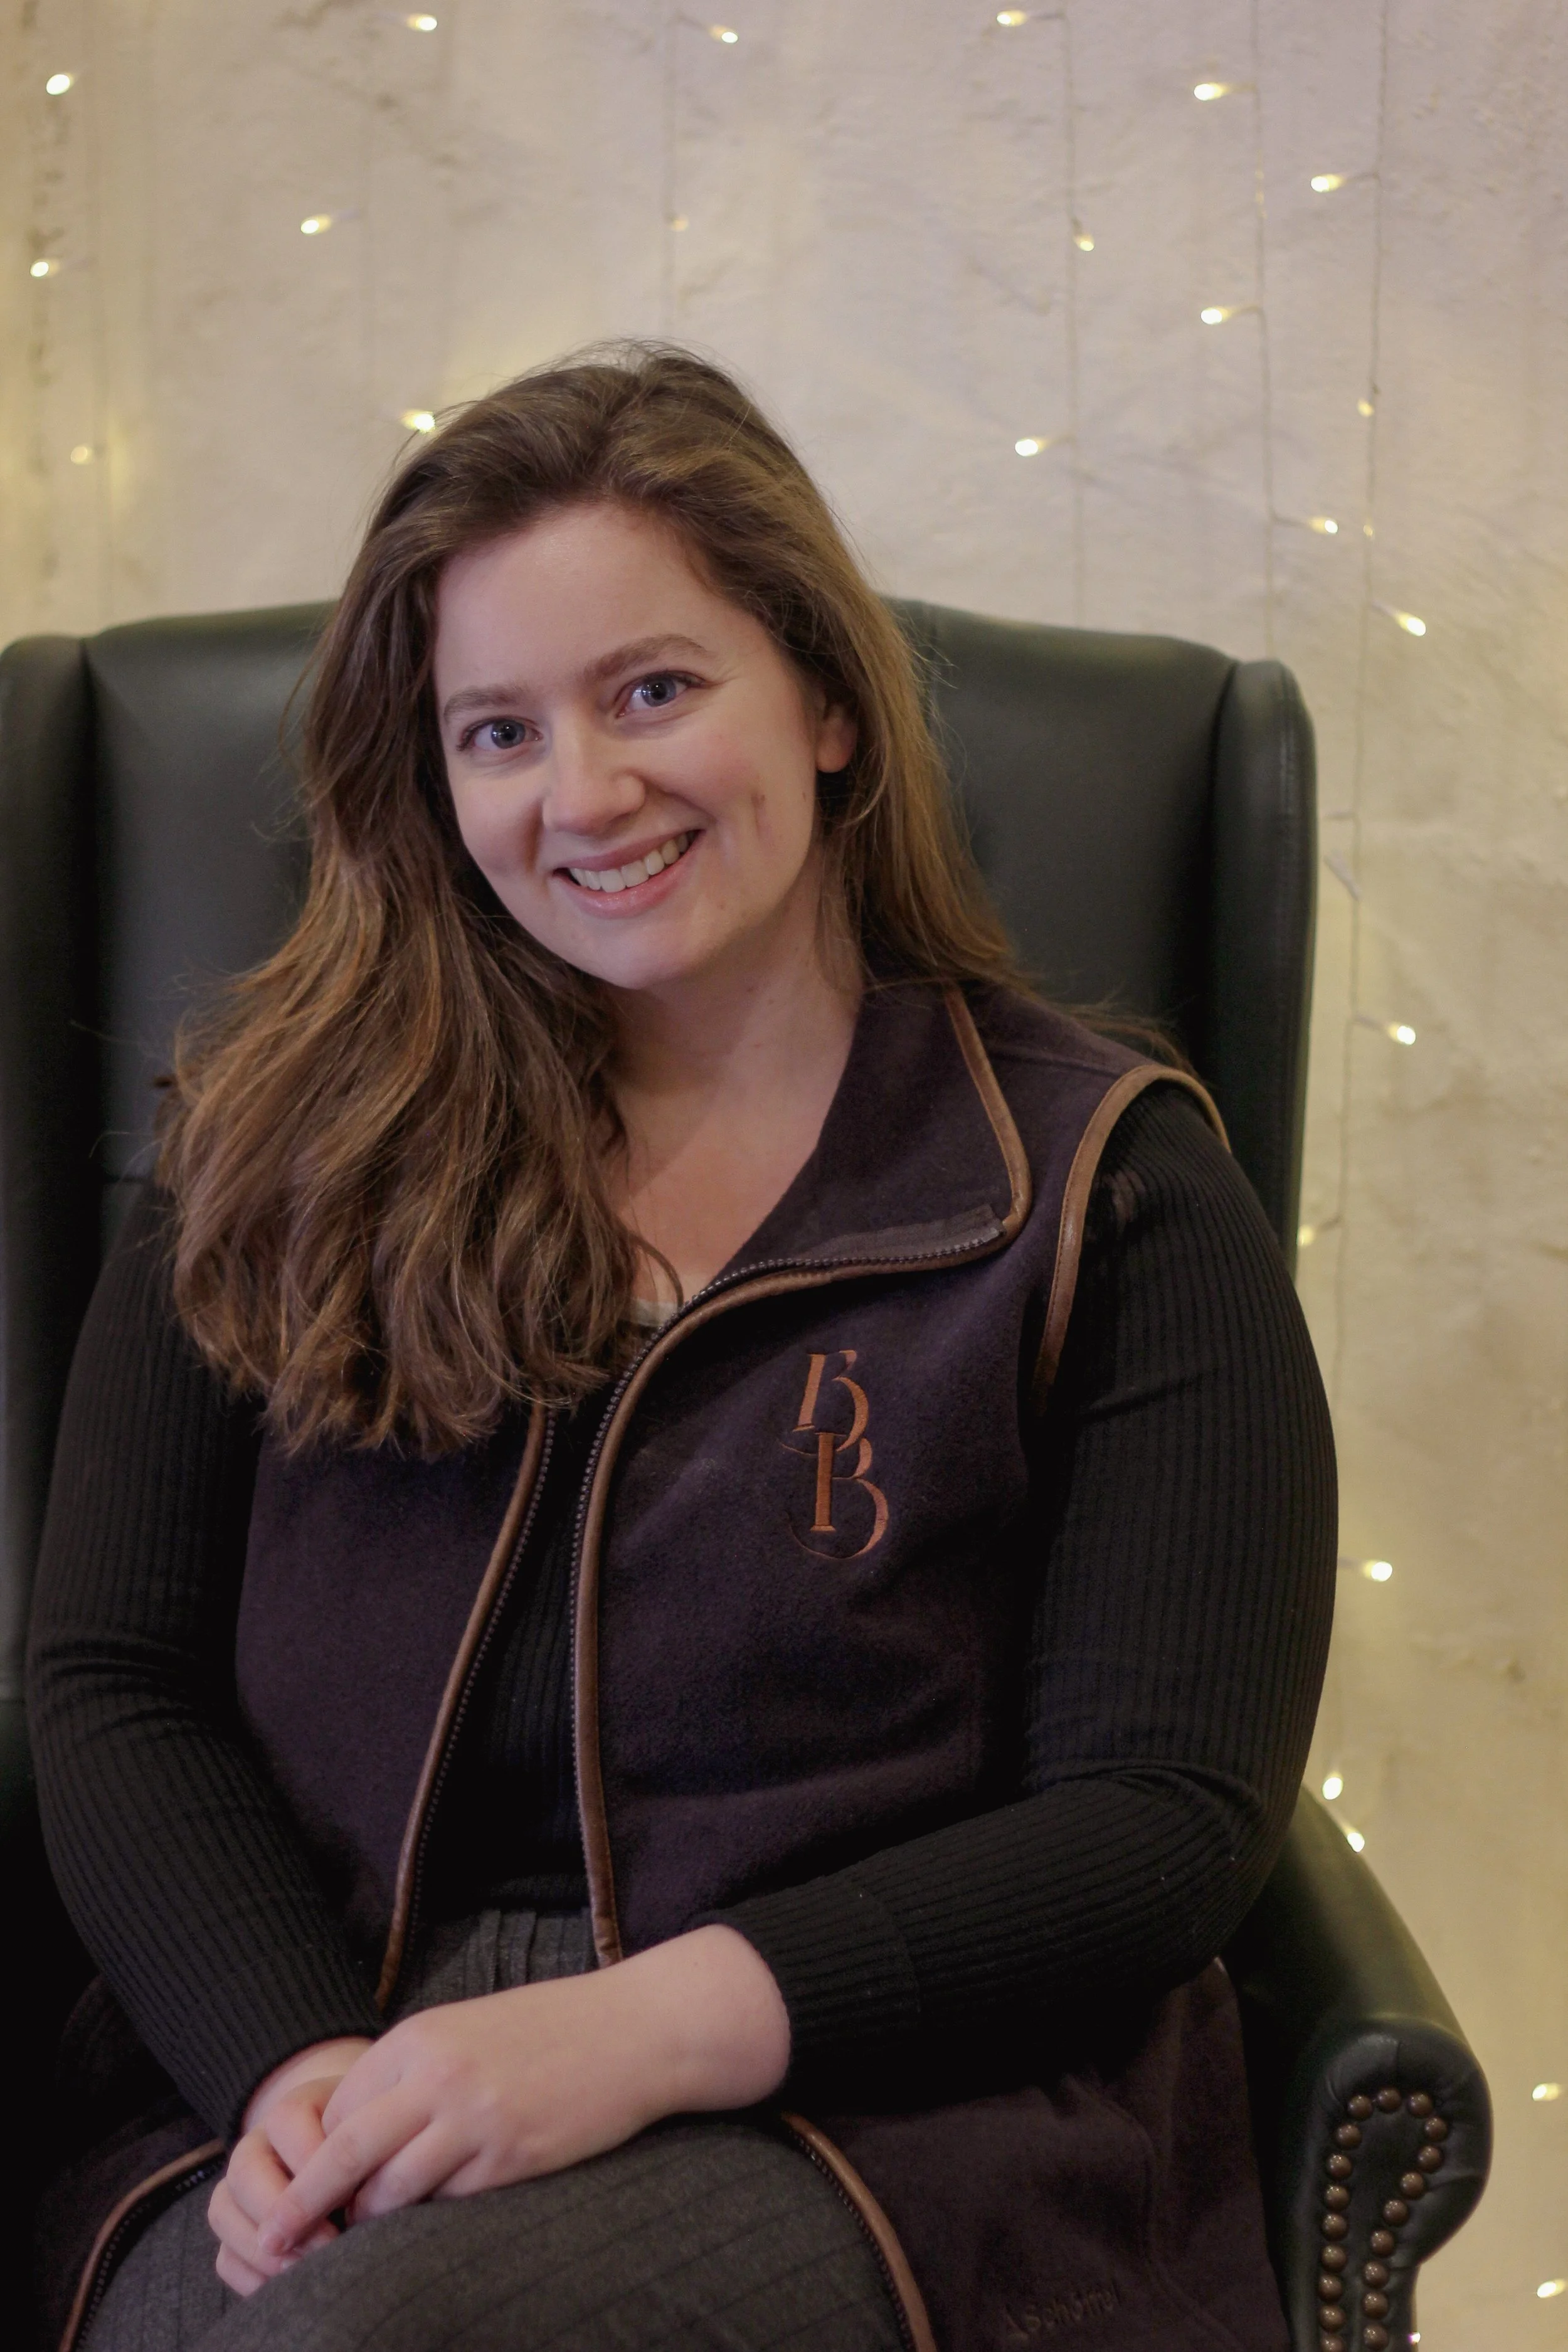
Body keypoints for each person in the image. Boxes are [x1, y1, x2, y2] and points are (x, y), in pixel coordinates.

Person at [28, 345, 1336, 2352]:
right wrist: (285, 2066)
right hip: (292, 2057)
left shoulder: (1108, 1191)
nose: (585, 791)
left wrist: (636, 2032)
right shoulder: (254, 1151)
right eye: (495, 730)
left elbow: (1158, 1816)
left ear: (822, 700)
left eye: (651, 689)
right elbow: (113, 1678)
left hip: (877, 2108)